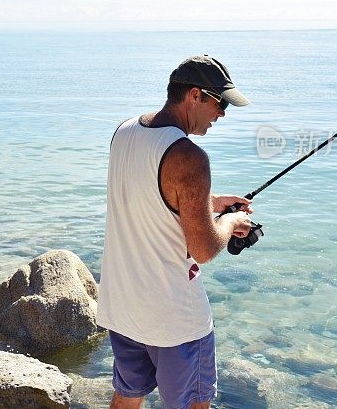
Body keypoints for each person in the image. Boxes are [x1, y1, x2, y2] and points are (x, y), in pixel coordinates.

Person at [97, 55, 254, 409]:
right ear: (195, 95)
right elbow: (204, 249)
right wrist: (229, 223)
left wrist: (209, 202)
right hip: (174, 319)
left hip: (122, 305)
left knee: (127, 396)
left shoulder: (124, 131)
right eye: (221, 102)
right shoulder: (190, 157)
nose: (223, 114)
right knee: (192, 404)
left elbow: (147, 194)